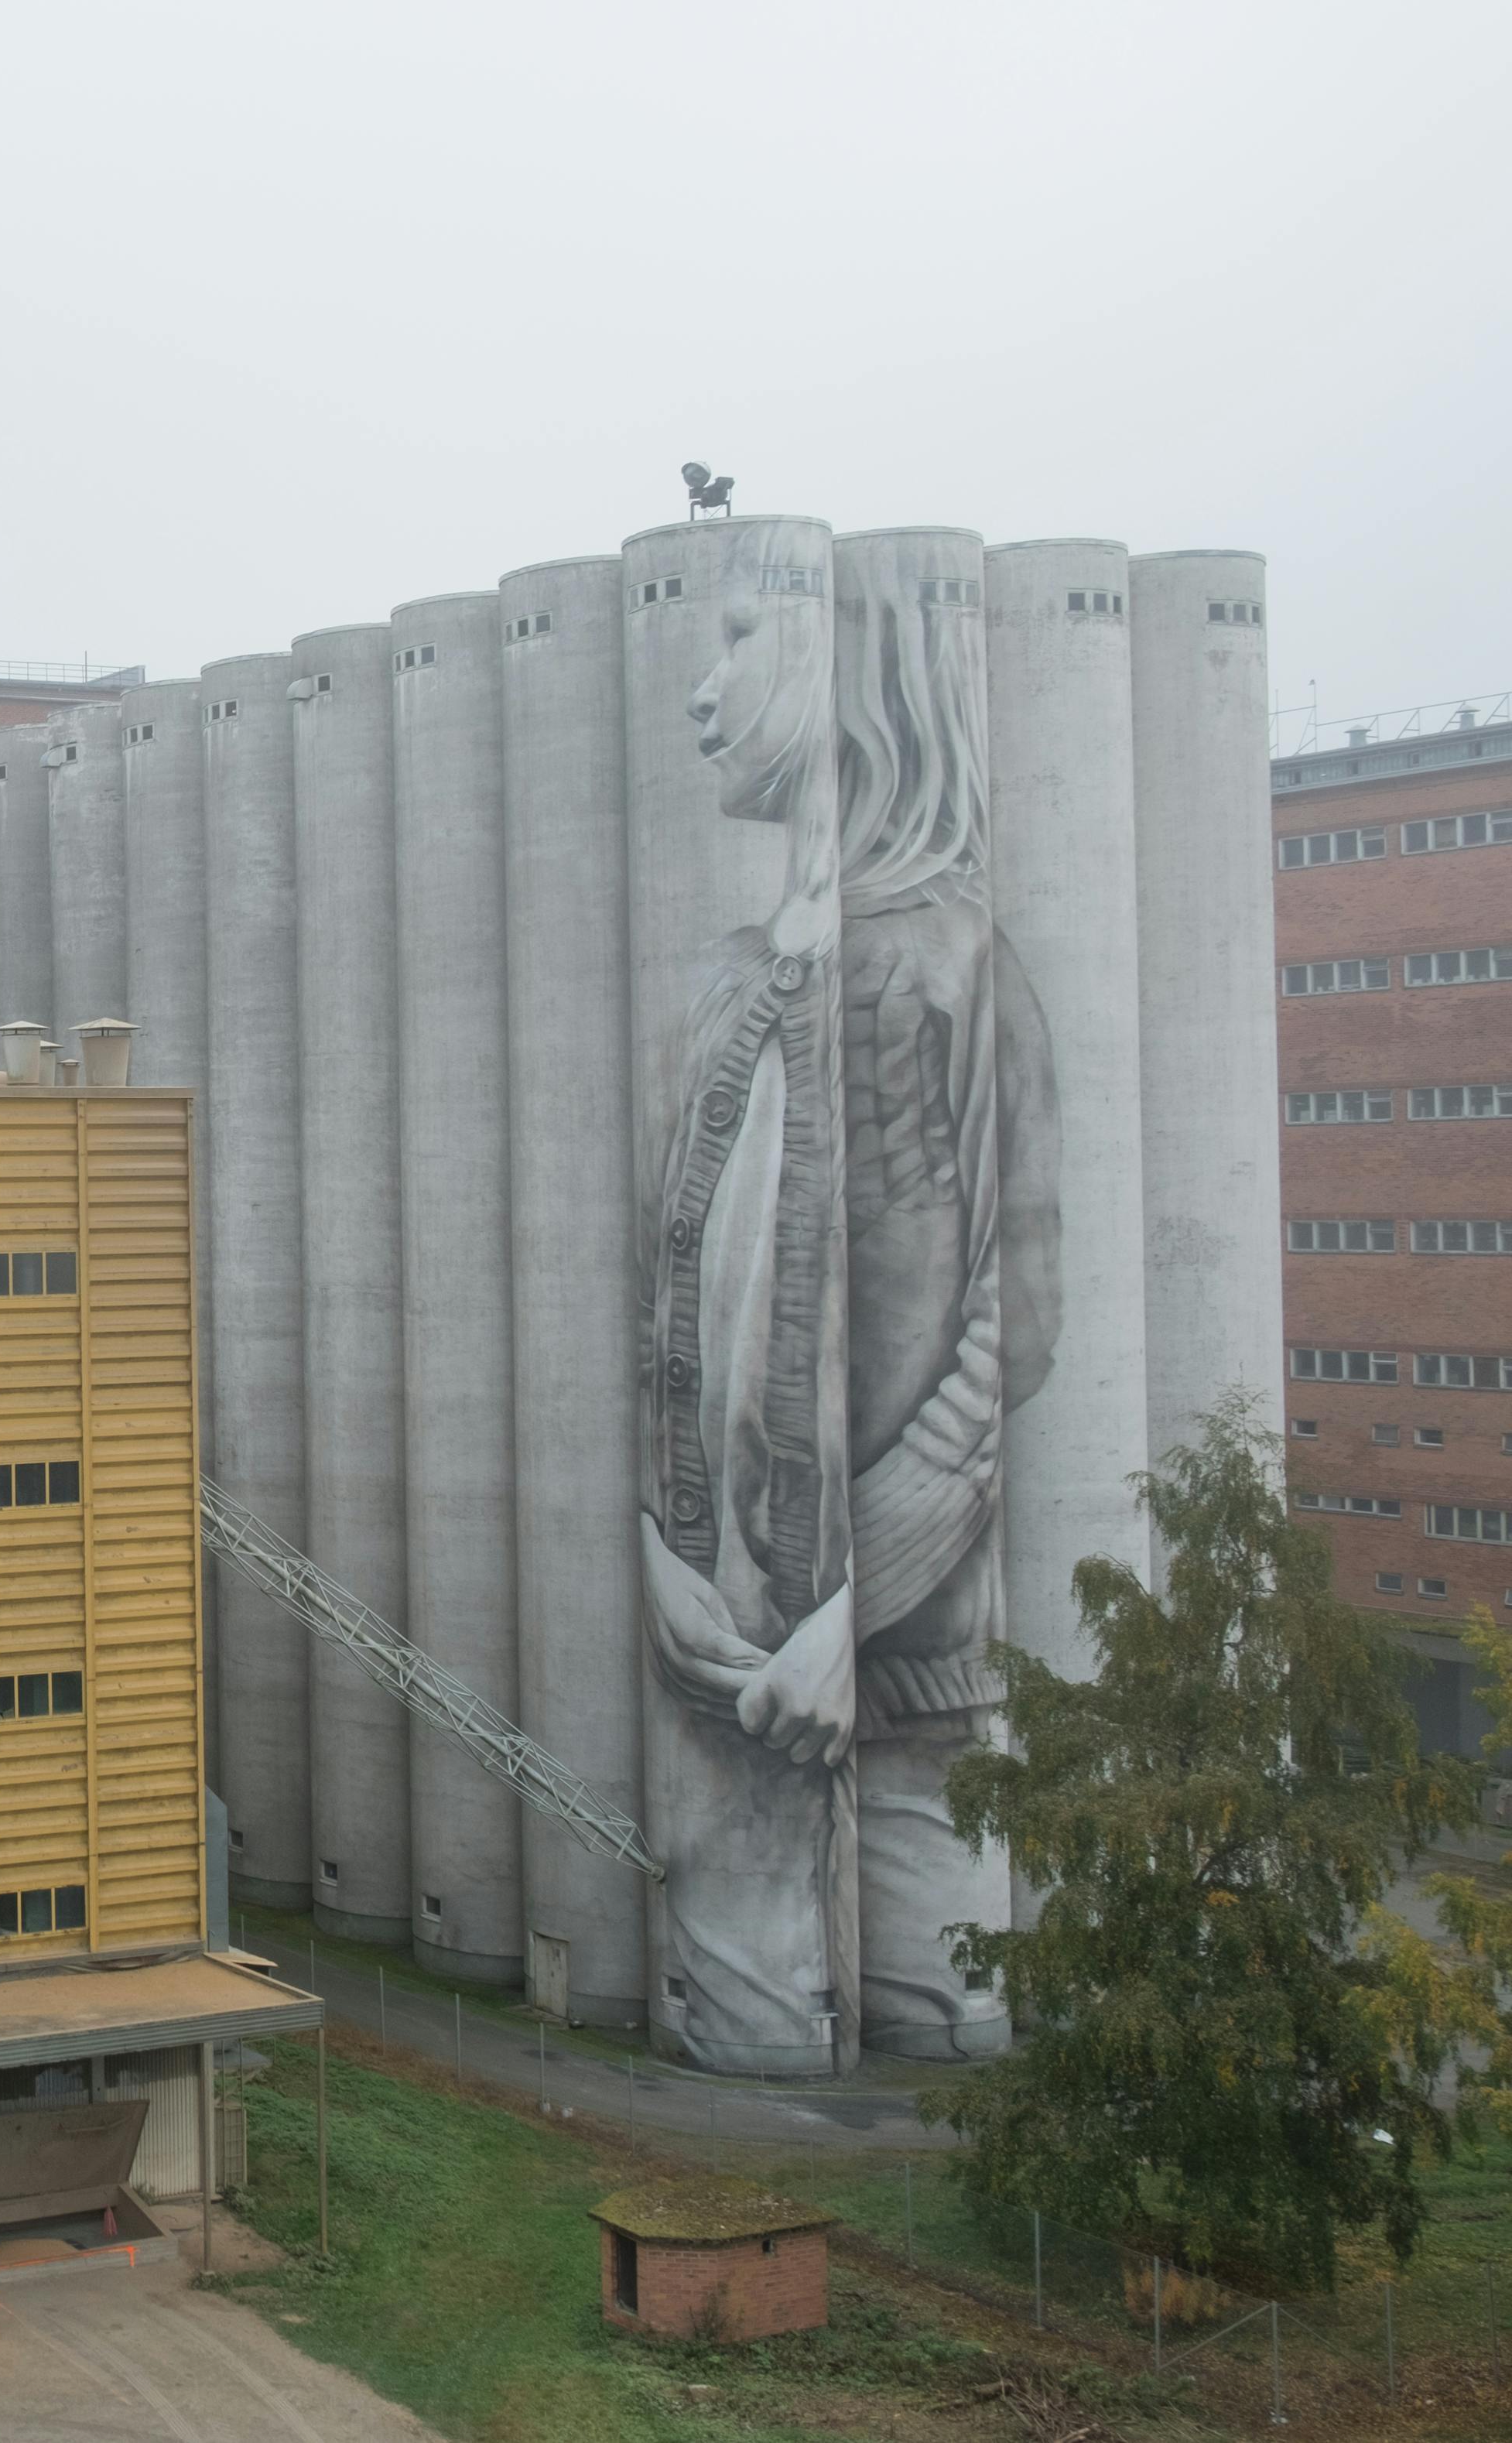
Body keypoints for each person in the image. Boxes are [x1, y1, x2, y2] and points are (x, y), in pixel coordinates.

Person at [634, 525, 863, 2077]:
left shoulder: (934, 967)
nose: (699, 699)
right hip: (715, 1618)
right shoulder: (732, 974)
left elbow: (988, 1336)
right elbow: (686, 1290)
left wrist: (866, 1615)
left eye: (735, 647)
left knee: (813, 1993)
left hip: (834, 1653)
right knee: (732, 1980)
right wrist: (655, 1544)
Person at [827, 555, 1056, 2061]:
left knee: (938, 1991)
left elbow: (1016, 1311)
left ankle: (947, 2039)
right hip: (802, 1591)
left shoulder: (966, 964)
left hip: (913, 1614)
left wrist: (884, 1538)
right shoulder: (803, 959)